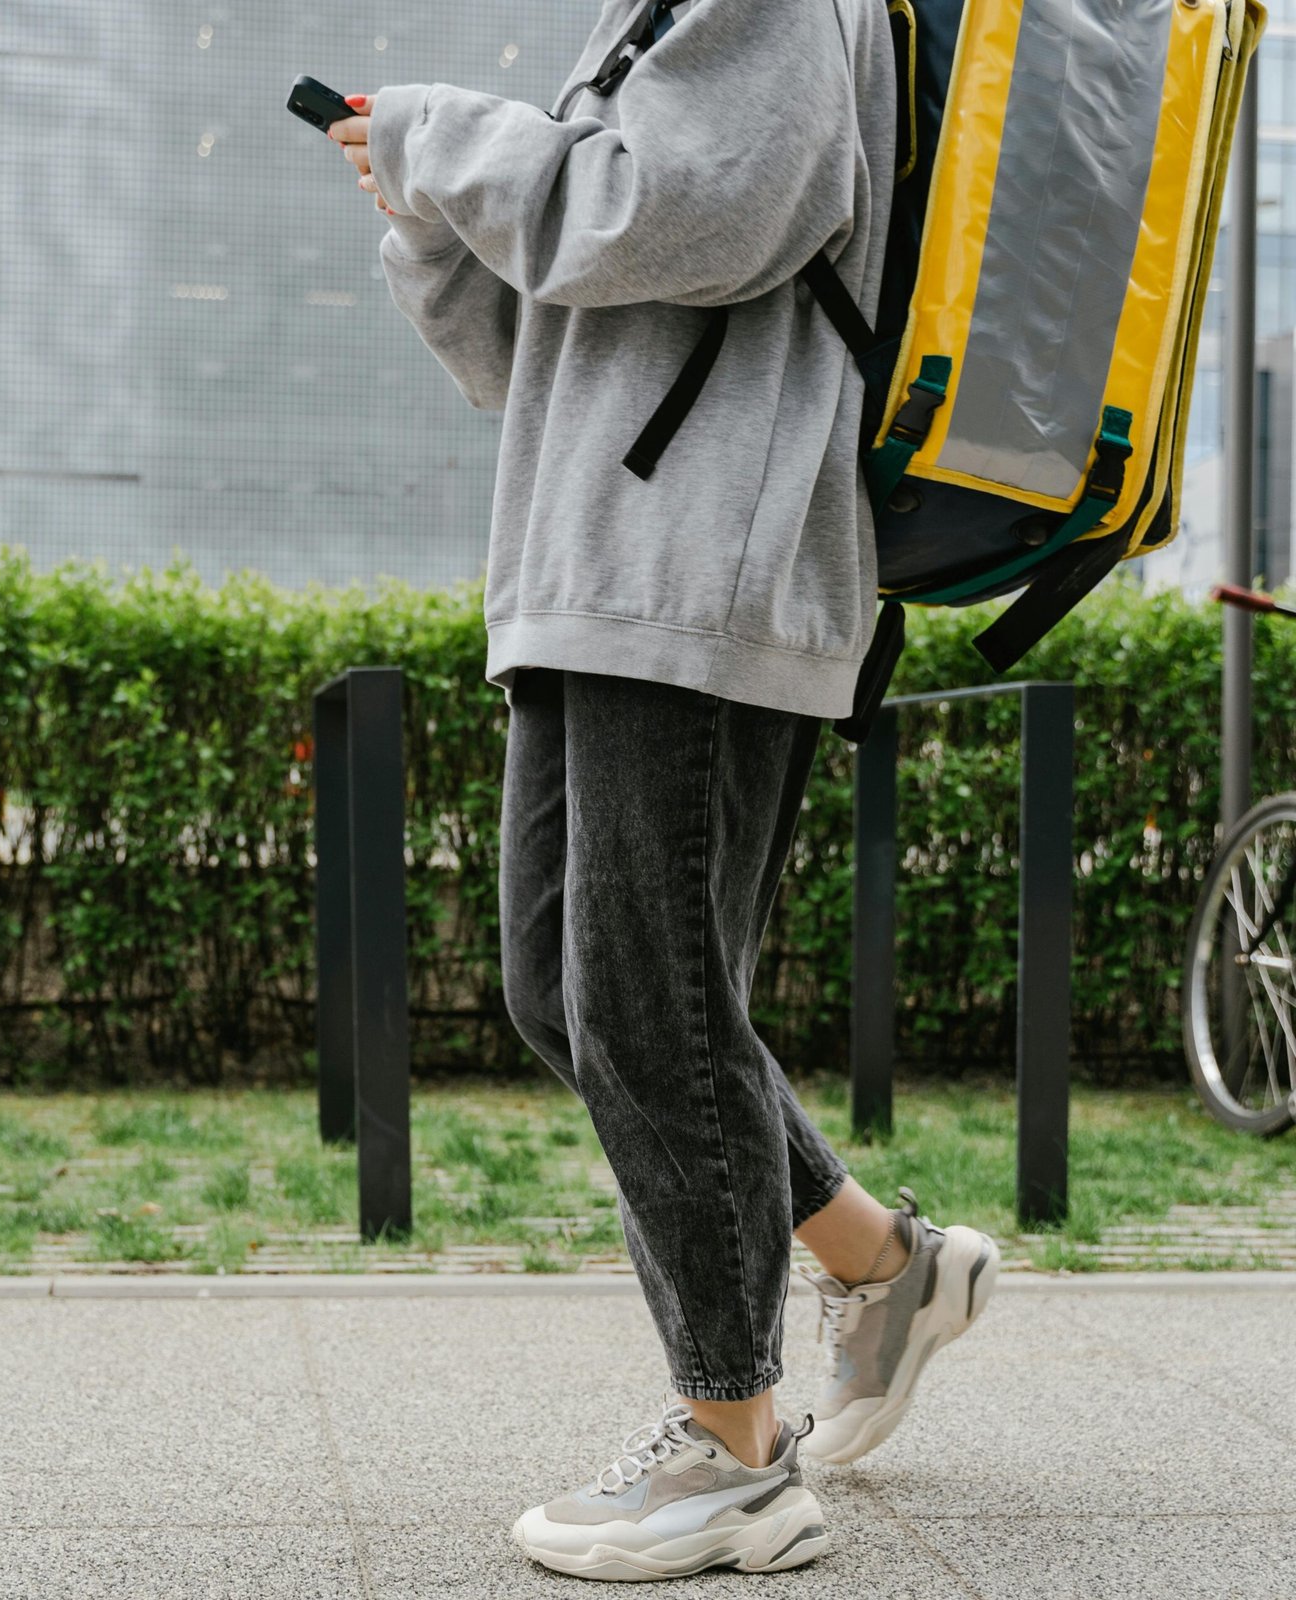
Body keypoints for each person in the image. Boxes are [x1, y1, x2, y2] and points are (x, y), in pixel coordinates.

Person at [328, 0, 1000, 1581]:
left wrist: (443, 137)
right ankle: (885, 1266)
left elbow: (689, 213)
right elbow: (542, 346)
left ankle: (734, 1452)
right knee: (570, 994)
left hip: (707, 574)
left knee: (648, 999)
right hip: (591, 573)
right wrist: (428, 224)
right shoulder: (646, 21)